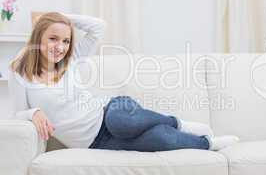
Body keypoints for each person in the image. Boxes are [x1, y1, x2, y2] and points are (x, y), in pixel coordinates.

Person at [8, 12, 239, 152]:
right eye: (53, 38)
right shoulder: (19, 72)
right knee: (160, 138)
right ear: (38, 36)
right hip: (96, 143)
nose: (60, 47)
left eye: (66, 41)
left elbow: (98, 27)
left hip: (111, 111)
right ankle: (208, 143)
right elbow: (17, 113)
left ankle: (177, 122)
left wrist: (61, 17)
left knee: (121, 122)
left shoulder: (72, 61)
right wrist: (33, 112)